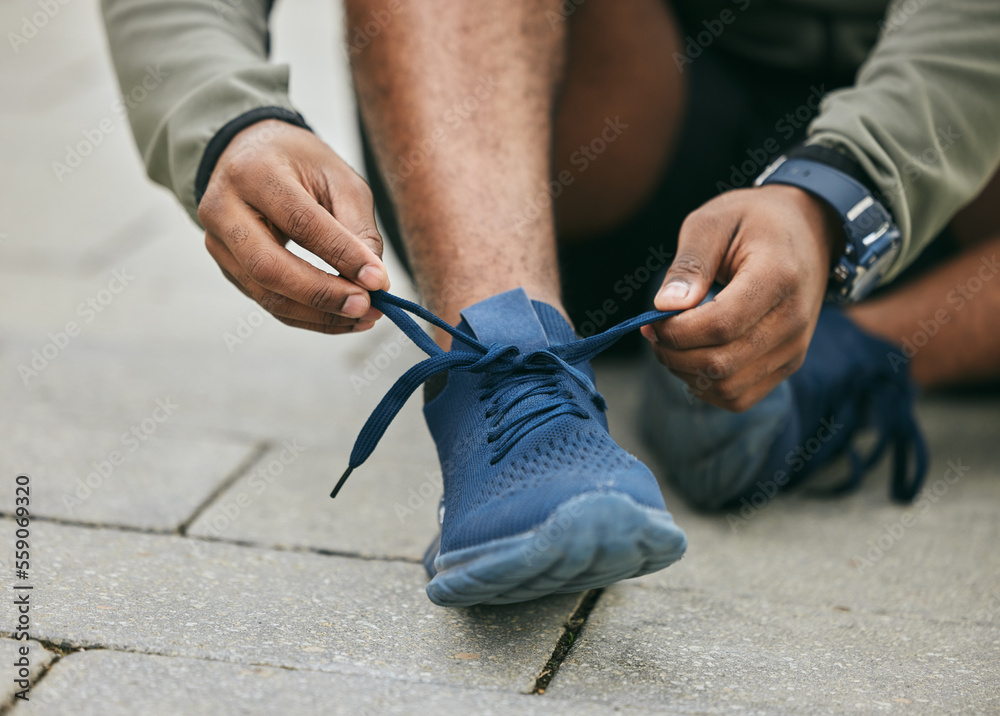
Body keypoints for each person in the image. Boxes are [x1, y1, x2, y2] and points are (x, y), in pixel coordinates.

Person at [102, 0, 1000, 606]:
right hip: (616, 108)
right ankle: (514, 372)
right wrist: (224, 121)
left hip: (949, 163)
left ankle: (847, 355)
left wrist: (840, 195)